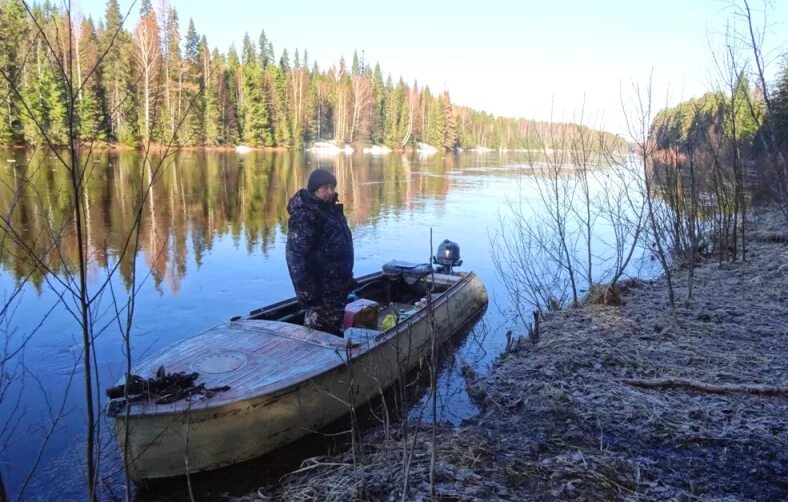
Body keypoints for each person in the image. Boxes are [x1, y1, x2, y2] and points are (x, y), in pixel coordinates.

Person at [286, 168, 354, 336]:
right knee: (318, 337)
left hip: (337, 288)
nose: (330, 192)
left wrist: (347, 279)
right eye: (325, 187)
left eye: (332, 187)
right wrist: (309, 297)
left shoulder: (329, 210)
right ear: (314, 189)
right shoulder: (305, 215)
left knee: (335, 334)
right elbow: (296, 258)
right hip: (320, 295)